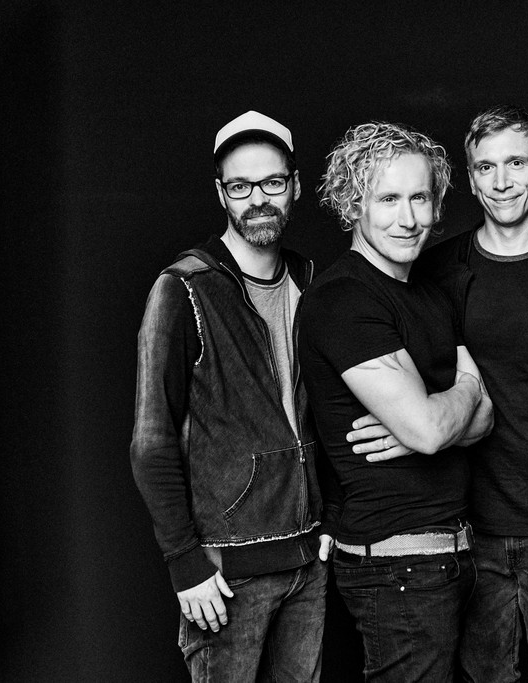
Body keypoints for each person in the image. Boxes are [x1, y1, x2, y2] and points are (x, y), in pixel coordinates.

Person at [130, 110, 326, 680]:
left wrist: (332, 520)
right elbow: (151, 442)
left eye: (272, 182)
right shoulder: (183, 289)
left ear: (295, 185)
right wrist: (184, 562)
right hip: (224, 574)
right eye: (240, 187)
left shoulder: (311, 281)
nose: (257, 199)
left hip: (310, 561)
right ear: (221, 194)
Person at [299, 122, 494, 683]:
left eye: (420, 198)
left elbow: (485, 420)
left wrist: (432, 419)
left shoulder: (428, 292)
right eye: (388, 199)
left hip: (450, 557)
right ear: (352, 204)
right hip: (397, 568)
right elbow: (437, 426)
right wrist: (457, 397)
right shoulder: (343, 298)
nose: (408, 218)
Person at [410, 104, 528, 682]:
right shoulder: (438, 270)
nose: (502, 181)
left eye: (516, 163)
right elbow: (404, 379)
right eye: (485, 167)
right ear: (470, 179)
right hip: (473, 532)